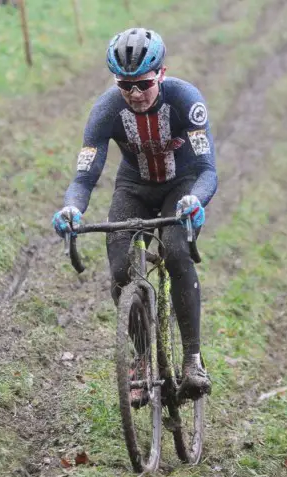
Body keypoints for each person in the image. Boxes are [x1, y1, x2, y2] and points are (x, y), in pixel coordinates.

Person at [51, 28, 218, 403]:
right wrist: (72, 208)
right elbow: (85, 176)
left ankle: (192, 359)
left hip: (183, 184)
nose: (135, 95)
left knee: (176, 252)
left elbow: (208, 169)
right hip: (134, 187)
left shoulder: (186, 101)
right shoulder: (106, 110)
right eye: (125, 86)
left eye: (143, 84)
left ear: (161, 73)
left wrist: (195, 200)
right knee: (120, 267)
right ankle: (142, 357)